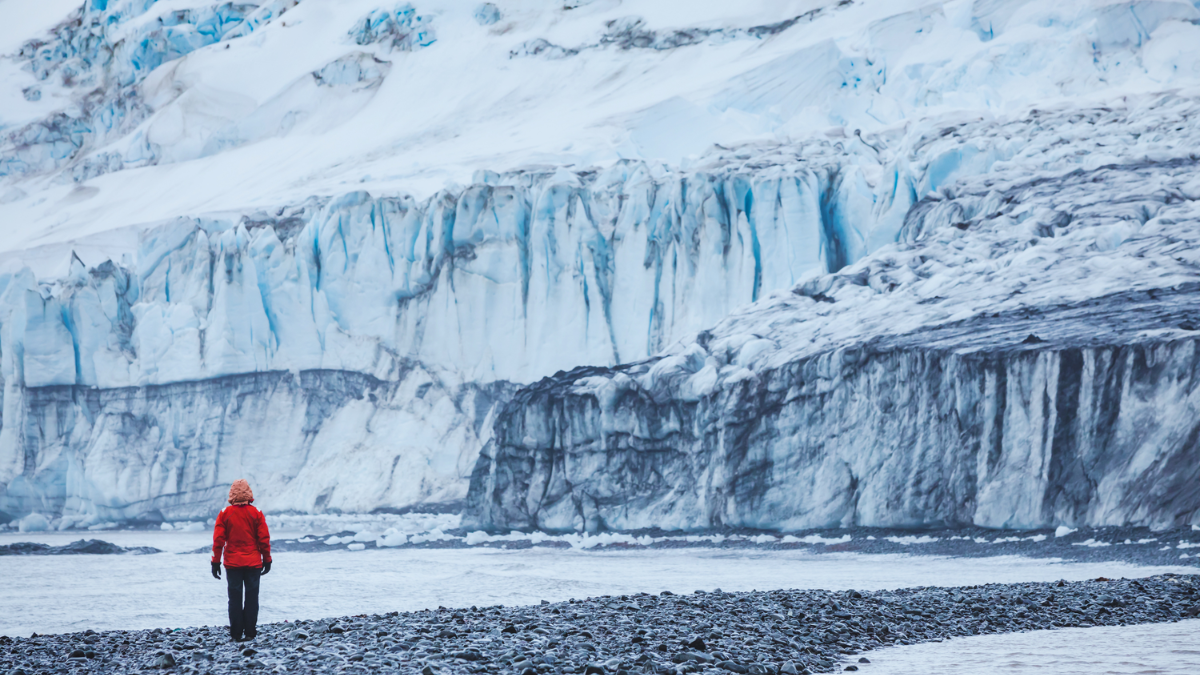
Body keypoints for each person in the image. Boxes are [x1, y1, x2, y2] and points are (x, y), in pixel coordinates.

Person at [210, 479, 272, 642]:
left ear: (231, 494)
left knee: (234, 598)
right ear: (249, 493)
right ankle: (250, 632)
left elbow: (218, 540)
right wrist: (267, 560)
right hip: (253, 563)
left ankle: (236, 633)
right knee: (252, 597)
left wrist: (215, 562)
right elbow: (263, 539)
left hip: (232, 563)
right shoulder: (256, 512)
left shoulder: (225, 513)